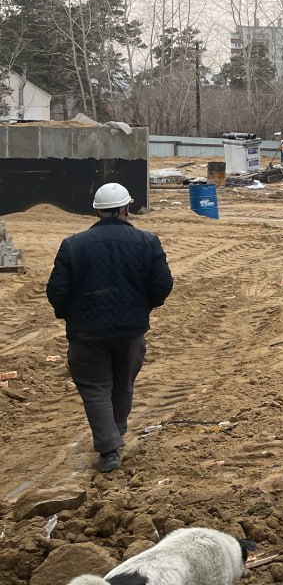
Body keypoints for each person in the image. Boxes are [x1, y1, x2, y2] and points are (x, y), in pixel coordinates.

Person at [45, 182, 173, 474]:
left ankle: (108, 448)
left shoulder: (73, 245)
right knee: (122, 382)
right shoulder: (147, 241)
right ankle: (117, 428)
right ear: (127, 208)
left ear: (96, 212)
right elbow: (163, 283)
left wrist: (68, 315)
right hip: (130, 331)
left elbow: (57, 290)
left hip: (86, 333)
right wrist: (145, 308)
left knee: (95, 388)